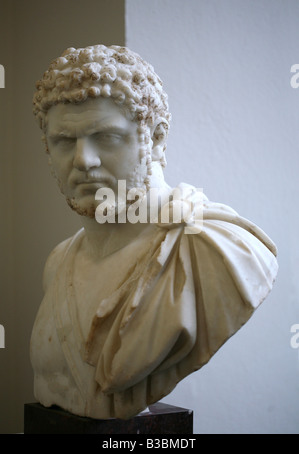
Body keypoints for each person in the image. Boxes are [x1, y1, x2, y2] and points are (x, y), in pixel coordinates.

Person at [30, 44, 278, 420]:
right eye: (64, 141)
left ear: (157, 139)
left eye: (106, 137)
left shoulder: (217, 250)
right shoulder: (58, 262)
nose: (83, 160)